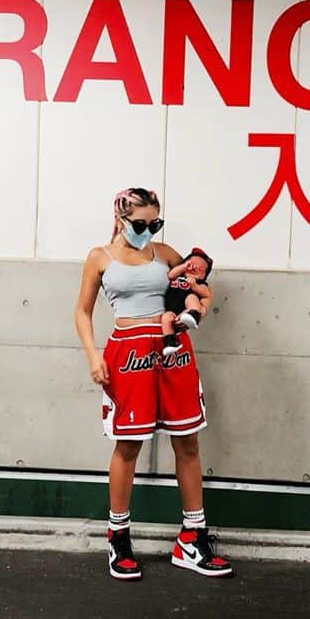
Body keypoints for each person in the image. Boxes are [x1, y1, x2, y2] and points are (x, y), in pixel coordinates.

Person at [74, 187, 233, 581]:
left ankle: (192, 538)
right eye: (140, 224)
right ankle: (118, 537)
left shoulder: (166, 255)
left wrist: (200, 306)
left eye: (155, 223)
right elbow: (81, 311)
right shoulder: (100, 257)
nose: (148, 230)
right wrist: (94, 356)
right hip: (127, 356)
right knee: (127, 446)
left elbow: (192, 290)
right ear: (121, 218)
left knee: (188, 441)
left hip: (173, 351)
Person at [160, 248, 213, 357]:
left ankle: (193, 314)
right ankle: (170, 342)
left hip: (186, 307)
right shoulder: (178, 276)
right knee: (166, 318)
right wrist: (183, 267)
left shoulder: (200, 283)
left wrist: (194, 285)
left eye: (200, 269)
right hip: (171, 309)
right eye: (191, 264)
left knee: (192, 297)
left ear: (204, 276)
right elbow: (170, 275)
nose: (194, 268)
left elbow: (205, 293)